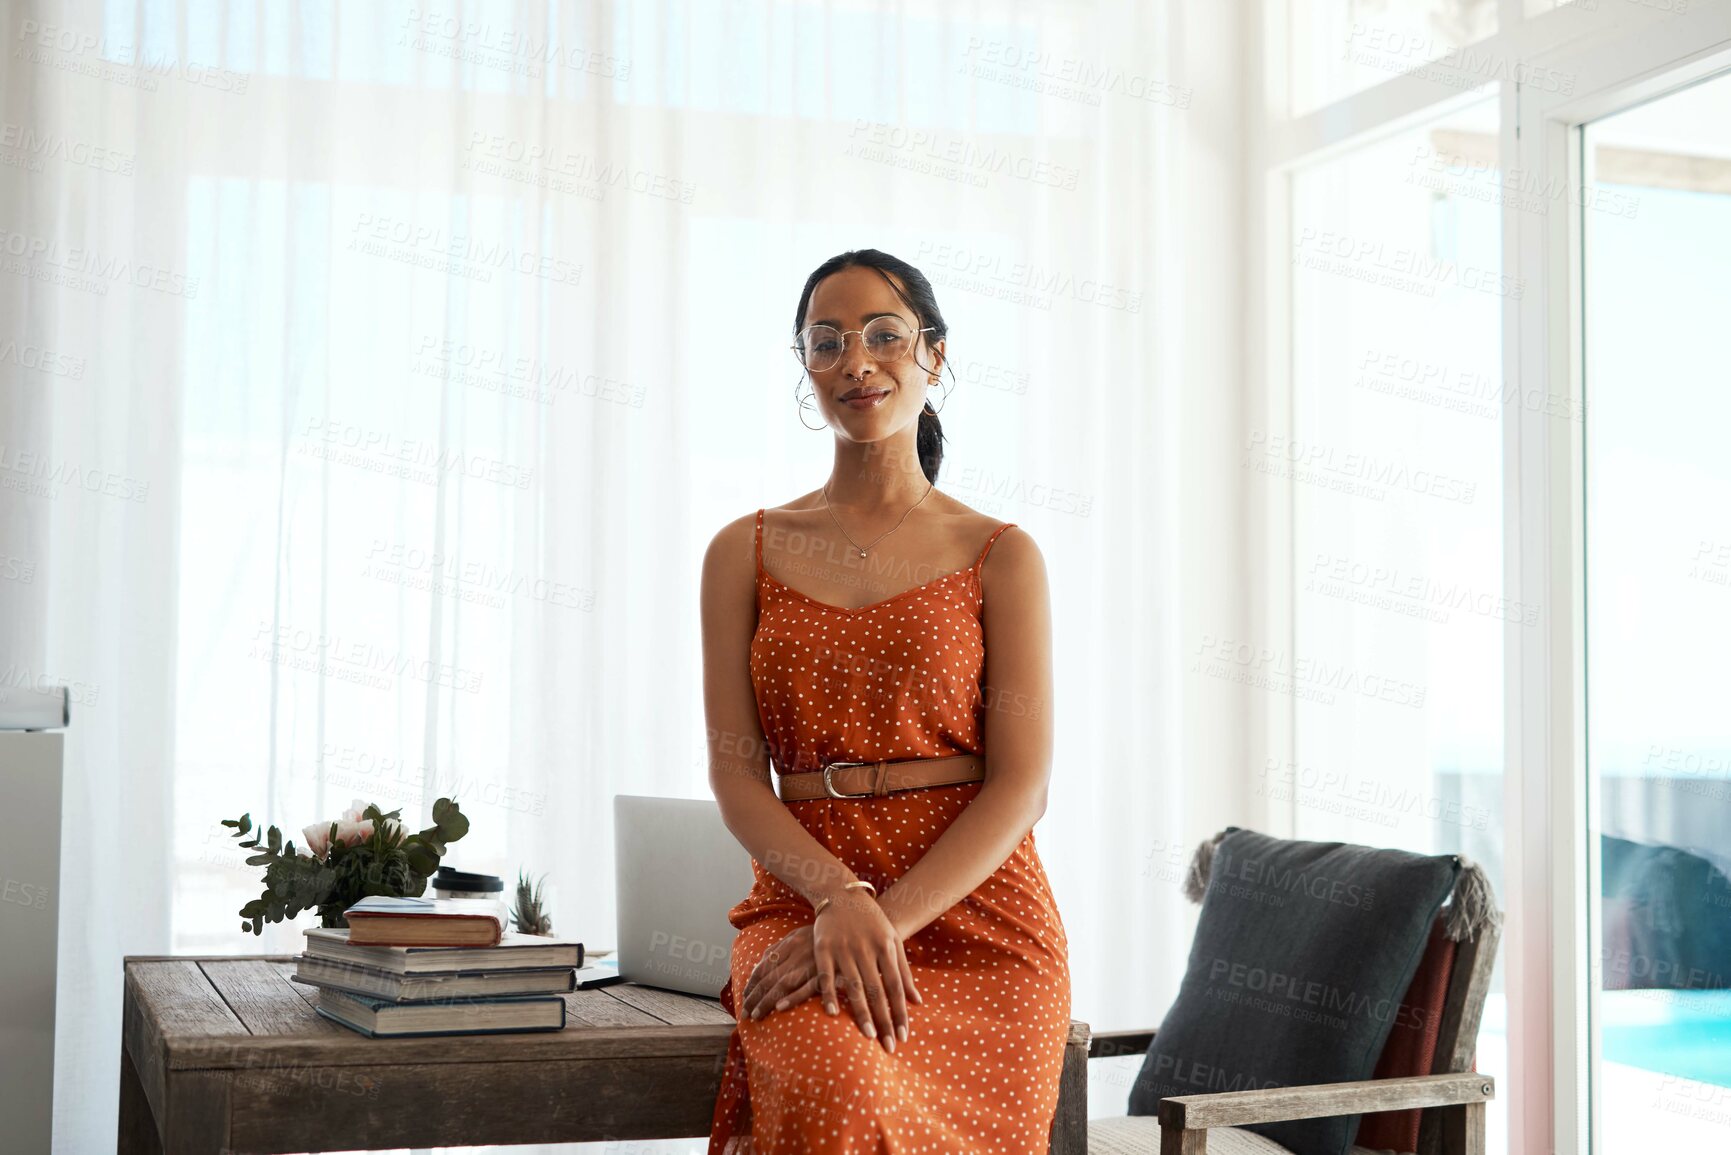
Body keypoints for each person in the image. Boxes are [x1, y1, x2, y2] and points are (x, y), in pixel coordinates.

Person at [702, 248, 1071, 1153]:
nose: (855, 360)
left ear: (933, 355)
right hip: (805, 905)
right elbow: (737, 775)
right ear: (805, 367)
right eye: (826, 341)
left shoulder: (1003, 554)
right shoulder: (740, 551)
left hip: (982, 922)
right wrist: (838, 899)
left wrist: (881, 913)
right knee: (838, 1088)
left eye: (883, 335)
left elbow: (1021, 785)